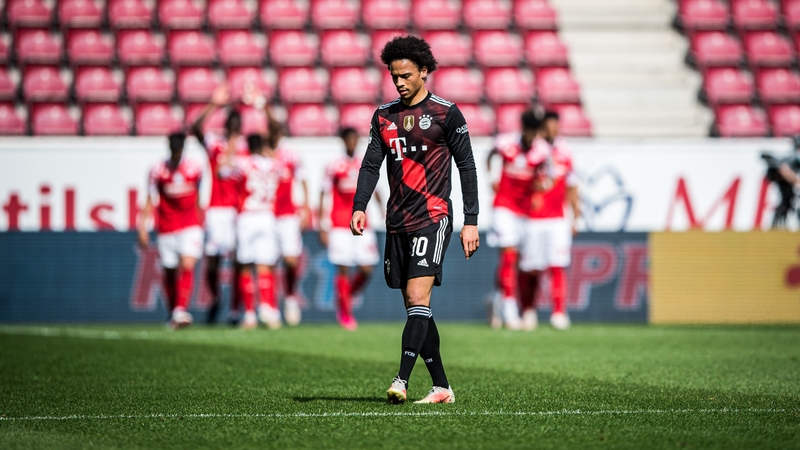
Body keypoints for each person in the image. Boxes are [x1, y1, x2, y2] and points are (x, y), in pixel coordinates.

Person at [351, 35, 480, 404]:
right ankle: (441, 387)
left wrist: (470, 220)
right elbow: (371, 164)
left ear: (424, 71)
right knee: (415, 306)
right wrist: (360, 205)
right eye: (395, 77)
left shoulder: (446, 113)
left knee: (417, 295)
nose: (400, 82)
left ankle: (401, 380)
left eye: (406, 75)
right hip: (397, 219)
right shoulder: (384, 116)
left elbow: (467, 166)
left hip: (433, 215)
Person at [485, 110, 550, 330]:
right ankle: (511, 312)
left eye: (535, 133)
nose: (532, 137)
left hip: (524, 213)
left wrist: (540, 191)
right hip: (503, 207)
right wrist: (491, 177)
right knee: (509, 256)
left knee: (522, 263)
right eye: (529, 132)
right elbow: (490, 155)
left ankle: (496, 299)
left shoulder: (542, 151)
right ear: (523, 129)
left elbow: (545, 176)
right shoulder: (505, 142)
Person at [518, 111, 580, 331]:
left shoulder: (566, 150)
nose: (553, 129)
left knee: (557, 265)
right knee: (531, 268)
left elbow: (572, 185)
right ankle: (528, 310)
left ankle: (559, 312)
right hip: (532, 218)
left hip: (557, 218)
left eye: (556, 125)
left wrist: (575, 215)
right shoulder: (533, 149)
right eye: (549, 126)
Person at [191, 85, 249, 324]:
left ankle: (236, 310)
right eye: (231, 126)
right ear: (226, 127)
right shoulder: (215, 146)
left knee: (239, 261)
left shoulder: (247, 149)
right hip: (216, 210)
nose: (234, 130)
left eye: (237, 127)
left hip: (239, 211)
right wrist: (214, 104)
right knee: (212, 261)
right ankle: (215, 298)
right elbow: (195, 129)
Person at [137, 132, 203, 329]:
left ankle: (180, 310)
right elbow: (150, 197)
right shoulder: (157, 170)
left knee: (188, 263)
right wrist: (142, 226)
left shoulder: (194, 168)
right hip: (166, 226)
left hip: (190, 224)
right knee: (170, 270)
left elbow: (199, 195)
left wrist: (201, 221)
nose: (176, 154)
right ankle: (174, 312)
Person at [319, 127, 382, 331]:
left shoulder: (365, 164)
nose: (353, 143)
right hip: (339, 224)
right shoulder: (333, 166)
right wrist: (322, 223)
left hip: (363, 223)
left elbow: (375, 188)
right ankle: (345, 313)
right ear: (344, 141)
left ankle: (347, 296)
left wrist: (384, 209)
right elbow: (324, 193)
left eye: (355, 140)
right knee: (344, 268)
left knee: (366, 269)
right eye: (349, 140)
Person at [264, 107, 309, 326]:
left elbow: (302, 179)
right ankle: (271, 306)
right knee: (269, 261)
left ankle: (290, 295)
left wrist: (307, 207)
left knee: (291, 260)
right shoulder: (260, 153)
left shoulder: (290, 154)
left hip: (288, 214)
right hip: (265, 215)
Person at [232, 134, 281, 329]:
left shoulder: (242, 163)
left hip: (248, 216)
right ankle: (267, 309)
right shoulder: (273, 165)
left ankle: (250, 314)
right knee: (264, 265)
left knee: (245, 265)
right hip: (267, 216)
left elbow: (222, 173)